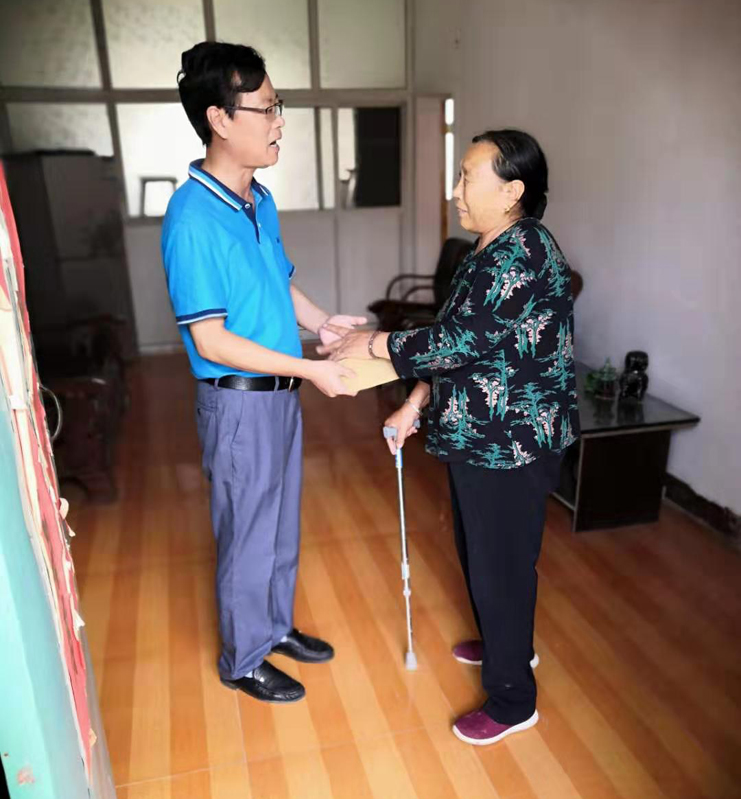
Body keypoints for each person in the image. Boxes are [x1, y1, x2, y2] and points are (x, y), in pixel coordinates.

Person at [319, 129, 580, 744]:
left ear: (512, 191)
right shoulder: (484, 247)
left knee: (501, 566)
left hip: (512, 441)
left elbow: (459, 342)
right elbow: (456, 339)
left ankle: (513, 700)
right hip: (478, 435)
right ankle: (506, 642)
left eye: (467, 177)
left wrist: (373, 343)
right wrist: (413, 403)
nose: (455, 190)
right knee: (482, 553)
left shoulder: (525, 250)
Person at [162, 42, 364, 704]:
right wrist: (309, 367)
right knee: (246, 533)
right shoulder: (192, 218)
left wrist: (324, 324)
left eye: (280, 107)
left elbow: (277, 282)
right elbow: (212, 339)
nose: (279, 122)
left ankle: (273, 627)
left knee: (278, 524)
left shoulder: (258, 199)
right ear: (220, 119)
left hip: (279, 395)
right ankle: (242, 657)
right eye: (268, 108)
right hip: (238, 403)